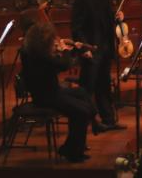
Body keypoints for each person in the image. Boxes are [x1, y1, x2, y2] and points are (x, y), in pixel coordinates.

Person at [19, 22, 95, 162]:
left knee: (81, 93)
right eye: (51, 41)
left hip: (50, 92)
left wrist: (64, 52)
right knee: (82, 112)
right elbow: (63, 65)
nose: (53, 43)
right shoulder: (40, 56)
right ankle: (72, 152)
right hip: (47, 96)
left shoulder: (31, 52)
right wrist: (64, 49)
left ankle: (74, 146)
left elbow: (56, 66)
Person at [71, 0, 124, 130]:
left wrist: (120, 16)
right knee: (87, 86)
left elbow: (112, 19)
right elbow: (77, 26)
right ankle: (85, 122)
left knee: (104, 85)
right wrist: (84, 48)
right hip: (91, 47)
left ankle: (108, 120)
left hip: (107, 47)